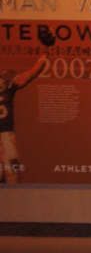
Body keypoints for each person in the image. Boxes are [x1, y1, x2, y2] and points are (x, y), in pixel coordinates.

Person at [0, 31, 54, 184]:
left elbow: (32, 73)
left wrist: (46, 50)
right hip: (6, 135)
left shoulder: (9, 85)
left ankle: (15, 198)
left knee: (12, 173)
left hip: (6, 134)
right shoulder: (8, 84)